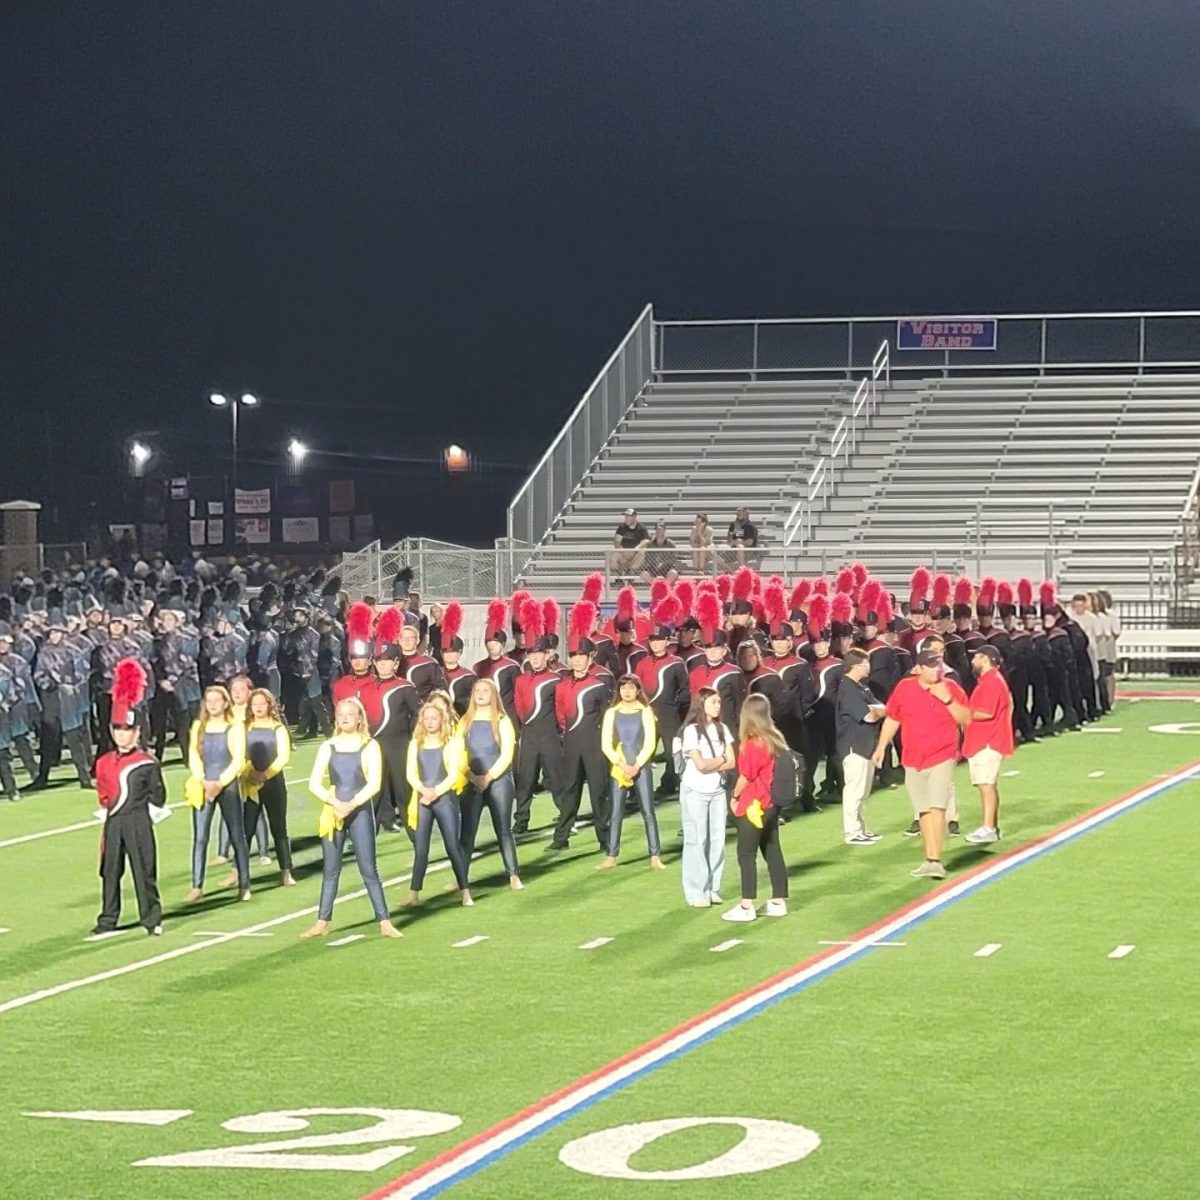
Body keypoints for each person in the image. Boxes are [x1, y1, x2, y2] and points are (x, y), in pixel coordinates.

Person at [302, 698, 402, 939]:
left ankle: (384, 921)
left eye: (350, 714)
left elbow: (374, 783)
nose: (345, 717)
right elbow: (314, 782)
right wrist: (334, 802)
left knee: (368, 867)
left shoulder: (369, 746)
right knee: (331, 869)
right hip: (333, 811)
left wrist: (351, 805)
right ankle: (322, 921)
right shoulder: (328, 746)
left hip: (360, 811)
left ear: (359, 717)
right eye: (340, 714)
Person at [872, 648, 971, 880]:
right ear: (918, 668)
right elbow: (893, 717)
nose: (935, 669)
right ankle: (929, 859)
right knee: (924, 810)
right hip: (913, 759)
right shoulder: (905, 688)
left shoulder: (951, 688)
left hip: (942, 756)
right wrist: (881, 747)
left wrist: (945, 699)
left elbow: (965, 718)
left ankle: (936, 860)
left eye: (938, 664)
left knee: (937, 807)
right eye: (930, 665)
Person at [90, 659, 167, 936]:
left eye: (128, 731)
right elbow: (103, 794)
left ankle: (152, 918)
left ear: (136, 733)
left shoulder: (146, 762)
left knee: (143, 869)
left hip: (138, 821)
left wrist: (146, 814)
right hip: (113, 821)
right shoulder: (103, 762)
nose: (123, 736)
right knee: (110, 871)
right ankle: (107, 919)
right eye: (118, 730)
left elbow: (159, 796)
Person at [722, 695, 790, 922]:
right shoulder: (775, 739)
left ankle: (746, 905)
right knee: (772, 849)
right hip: (770, 803)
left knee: (746, 854)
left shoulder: (753, 743)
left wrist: (734, 796)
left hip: (754, 804)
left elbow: (746, 776)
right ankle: (779, 901)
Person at [401, 702, 473, 907]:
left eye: (434, 718)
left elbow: (453, 773)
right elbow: (410, 773)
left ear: (442, 720)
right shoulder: (416, 742)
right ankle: (414, 892)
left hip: (444, 798)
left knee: (452, 845)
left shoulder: (448, 742)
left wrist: (436, 792)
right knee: (421, 848)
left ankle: (465, 890)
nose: (430, 722)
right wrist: (424, 791)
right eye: (427, 718)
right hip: (423, 798)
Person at [184, 684, 251, 902]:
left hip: (227, 785)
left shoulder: (234, 727)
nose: (212, 705)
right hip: (203, 783)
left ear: (224, 704)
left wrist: (219, 783)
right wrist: (203, 779)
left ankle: (244, 883)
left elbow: (238, 759)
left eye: (217, 701)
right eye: (209, 701)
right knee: (200, 837)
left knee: (236, 834)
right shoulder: (198, 726)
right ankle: (197, 885)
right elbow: (193, 755)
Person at [460, 678, 523, 889]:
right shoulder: (465, 721)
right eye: (477, 690)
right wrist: (472, 777)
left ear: (493, 694)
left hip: (499, 782)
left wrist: (488, 777)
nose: (480, 693)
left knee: (503, 829)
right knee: (468, 832)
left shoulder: (502, 720)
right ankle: (462, 878)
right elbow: (457, 754)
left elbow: (507, 754)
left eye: (485, 690)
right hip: (472, 782)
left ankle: (513, 874)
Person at [598, 676, 664, 871]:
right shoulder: (612, 713)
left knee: (648, 811)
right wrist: (621, 764)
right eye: (623, 688)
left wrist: (636, 765)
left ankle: (655, 855)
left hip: (640, 766)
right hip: (619, 767)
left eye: (631, 687)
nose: (627, 691)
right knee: (616, 812)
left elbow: (650, 743)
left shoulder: (645, 712)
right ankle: (611, 856)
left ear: (638, 690)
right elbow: (605, 744)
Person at [678, 687, 735, 908]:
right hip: (696, 790)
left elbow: (732, 761)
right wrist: (720, 759)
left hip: (717, 791)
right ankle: (695, 891)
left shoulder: (722, 729)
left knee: (718, 840)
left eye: (719, 702)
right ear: (701, 704)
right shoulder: (691, 731)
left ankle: (713, 887)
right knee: (696, 840)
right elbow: (700, 765)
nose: (718, 705)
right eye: (714, 702)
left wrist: (718, 761)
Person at [241, 688, 296, 886]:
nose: (258, 708)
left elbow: (282, 757)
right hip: (250, 785)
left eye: (261, 704)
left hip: (274, 785)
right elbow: (241, 753)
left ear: (269, 705)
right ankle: (242, 874)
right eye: (254, 704)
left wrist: (264, 774)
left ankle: (286, 872)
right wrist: (250, 772)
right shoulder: (245, 727)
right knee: (246, 830)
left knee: (279, 828)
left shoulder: (278, 729)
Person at [963, 645, 1014, 845]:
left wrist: (962, 713)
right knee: (986, 784)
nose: (972, 661)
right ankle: (991, 825)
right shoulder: (990, 680)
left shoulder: (992, 682)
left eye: (975, 657)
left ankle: (988, 828)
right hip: (986, 739)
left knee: (986, 785)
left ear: (985, 659)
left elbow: (986, 712)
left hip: (987, 741)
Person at [835, 647, 886, 845]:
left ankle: (861, 828)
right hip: (853, 746)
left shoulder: (861, 687)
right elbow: (870, 715)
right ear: (856, 666)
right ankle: (852, 832)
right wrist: (879, 710)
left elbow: (880, 707)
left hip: (866, 745)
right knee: (854, 791)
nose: (869, 667)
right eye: (866, 663)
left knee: (863, 792)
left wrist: (879, 710)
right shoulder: (847, 688)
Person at [609, 508, 649, 581]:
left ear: (634, 517)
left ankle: (630, 574)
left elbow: (645, 541)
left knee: (642, 553)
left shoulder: (642, 528)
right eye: (625, 517)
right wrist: (622, 551)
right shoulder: (622, 527)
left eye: (628, 517)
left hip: (635, 554)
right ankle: (618, 578)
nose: (626, 519)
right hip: (624, 553)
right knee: (613, 556)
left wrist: (636, 549)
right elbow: (617, 541)